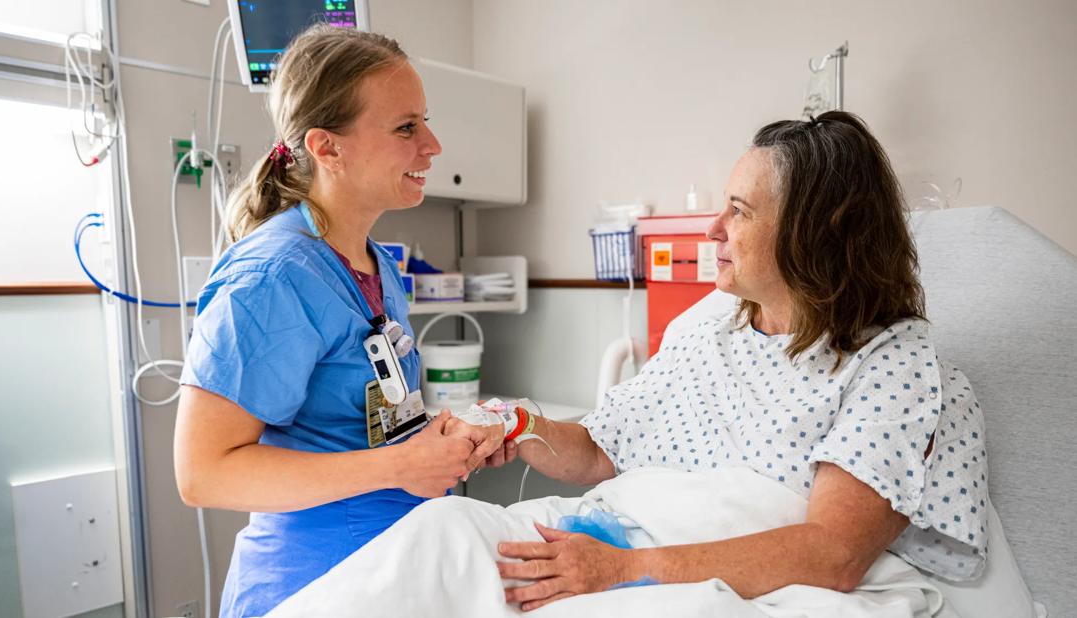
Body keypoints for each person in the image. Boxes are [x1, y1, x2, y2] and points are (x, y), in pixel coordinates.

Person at [480, 112, 989, 611]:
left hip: (683, 582)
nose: (713, 229)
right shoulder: (705, 337)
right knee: (450, 538)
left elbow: (834, 554)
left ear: (809, 234)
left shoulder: (891, 368)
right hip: (628, 543)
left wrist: (621, 568)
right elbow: (598, 449)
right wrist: (516, 426)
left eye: (739, 211)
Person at [172, 25, 498, 618]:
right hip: (314, 584)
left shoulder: (375, 265)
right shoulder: (272, 277)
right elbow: (203, 474)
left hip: (393, 564)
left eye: (424, 122)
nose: (432, 145)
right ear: (327, 148)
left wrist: (435, 440)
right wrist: (401, 465)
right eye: (406, 127)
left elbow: (360, 423)